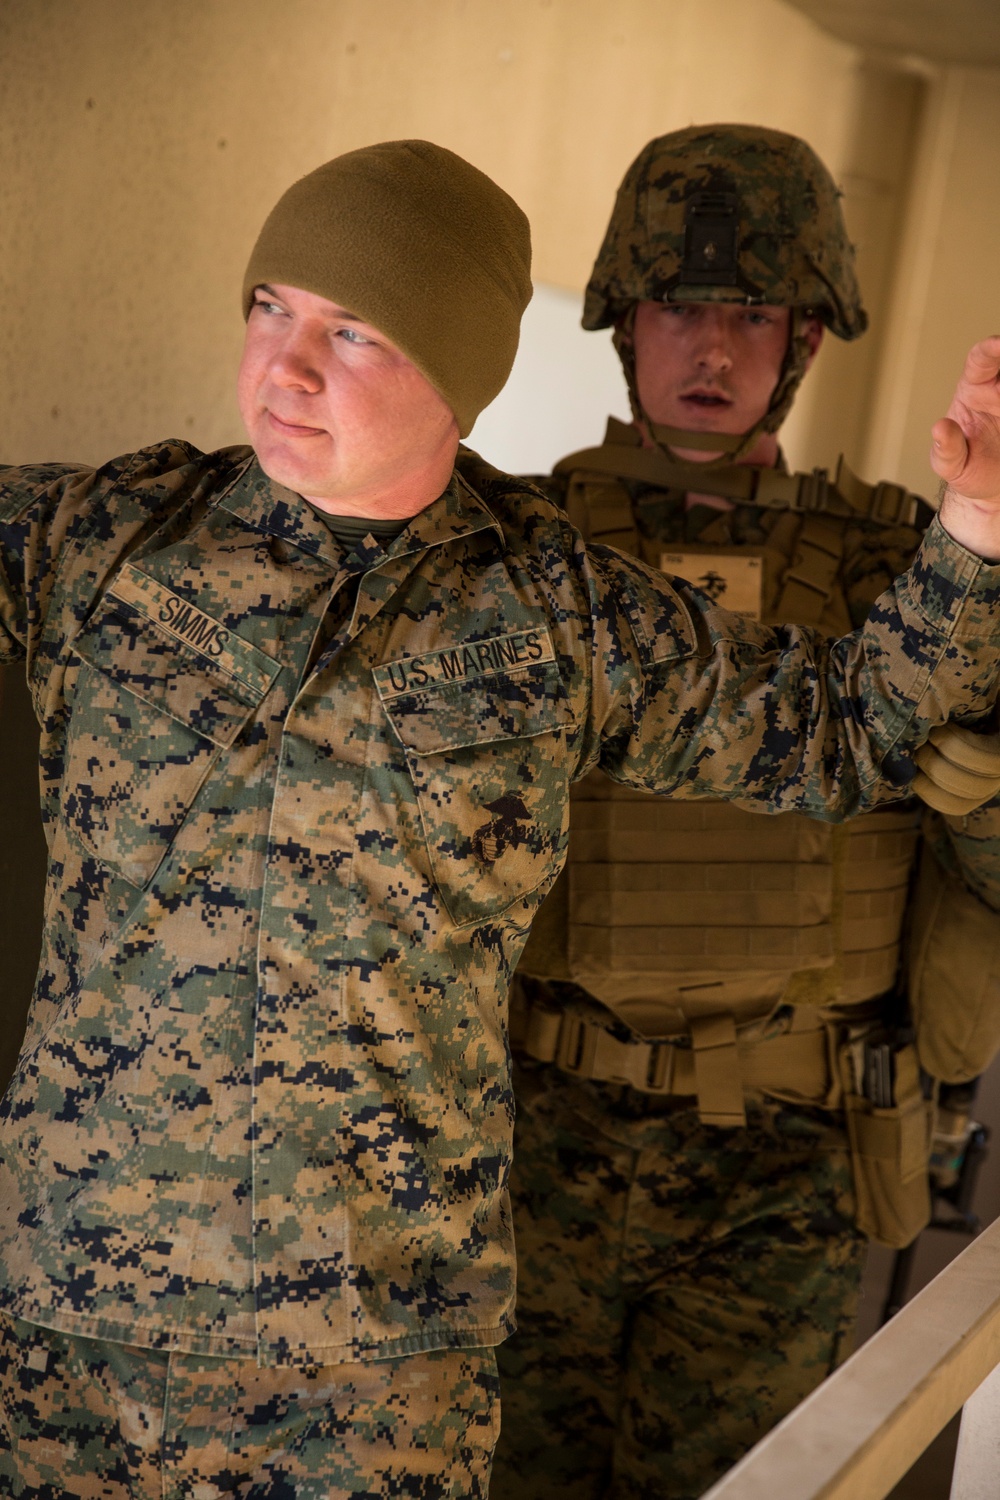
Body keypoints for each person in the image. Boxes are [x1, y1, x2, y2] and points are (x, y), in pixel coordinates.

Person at [0, 137, 999, 1500]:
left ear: (460, 377)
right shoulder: (102, 539)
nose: (286, 368)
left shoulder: (559, 611)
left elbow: (848, 722)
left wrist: (978, 525)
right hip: (71, 1324)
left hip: (372, 1369)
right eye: (270, 308)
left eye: (352, 331)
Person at [491, 124, 1000, 1500]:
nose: (712, 349)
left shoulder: (918, 568)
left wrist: (983, 802)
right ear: (622, 318)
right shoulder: (515, 552)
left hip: (780, 1168)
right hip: (532, 1130)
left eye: (752, 311)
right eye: (679, 305)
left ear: (809, 336)